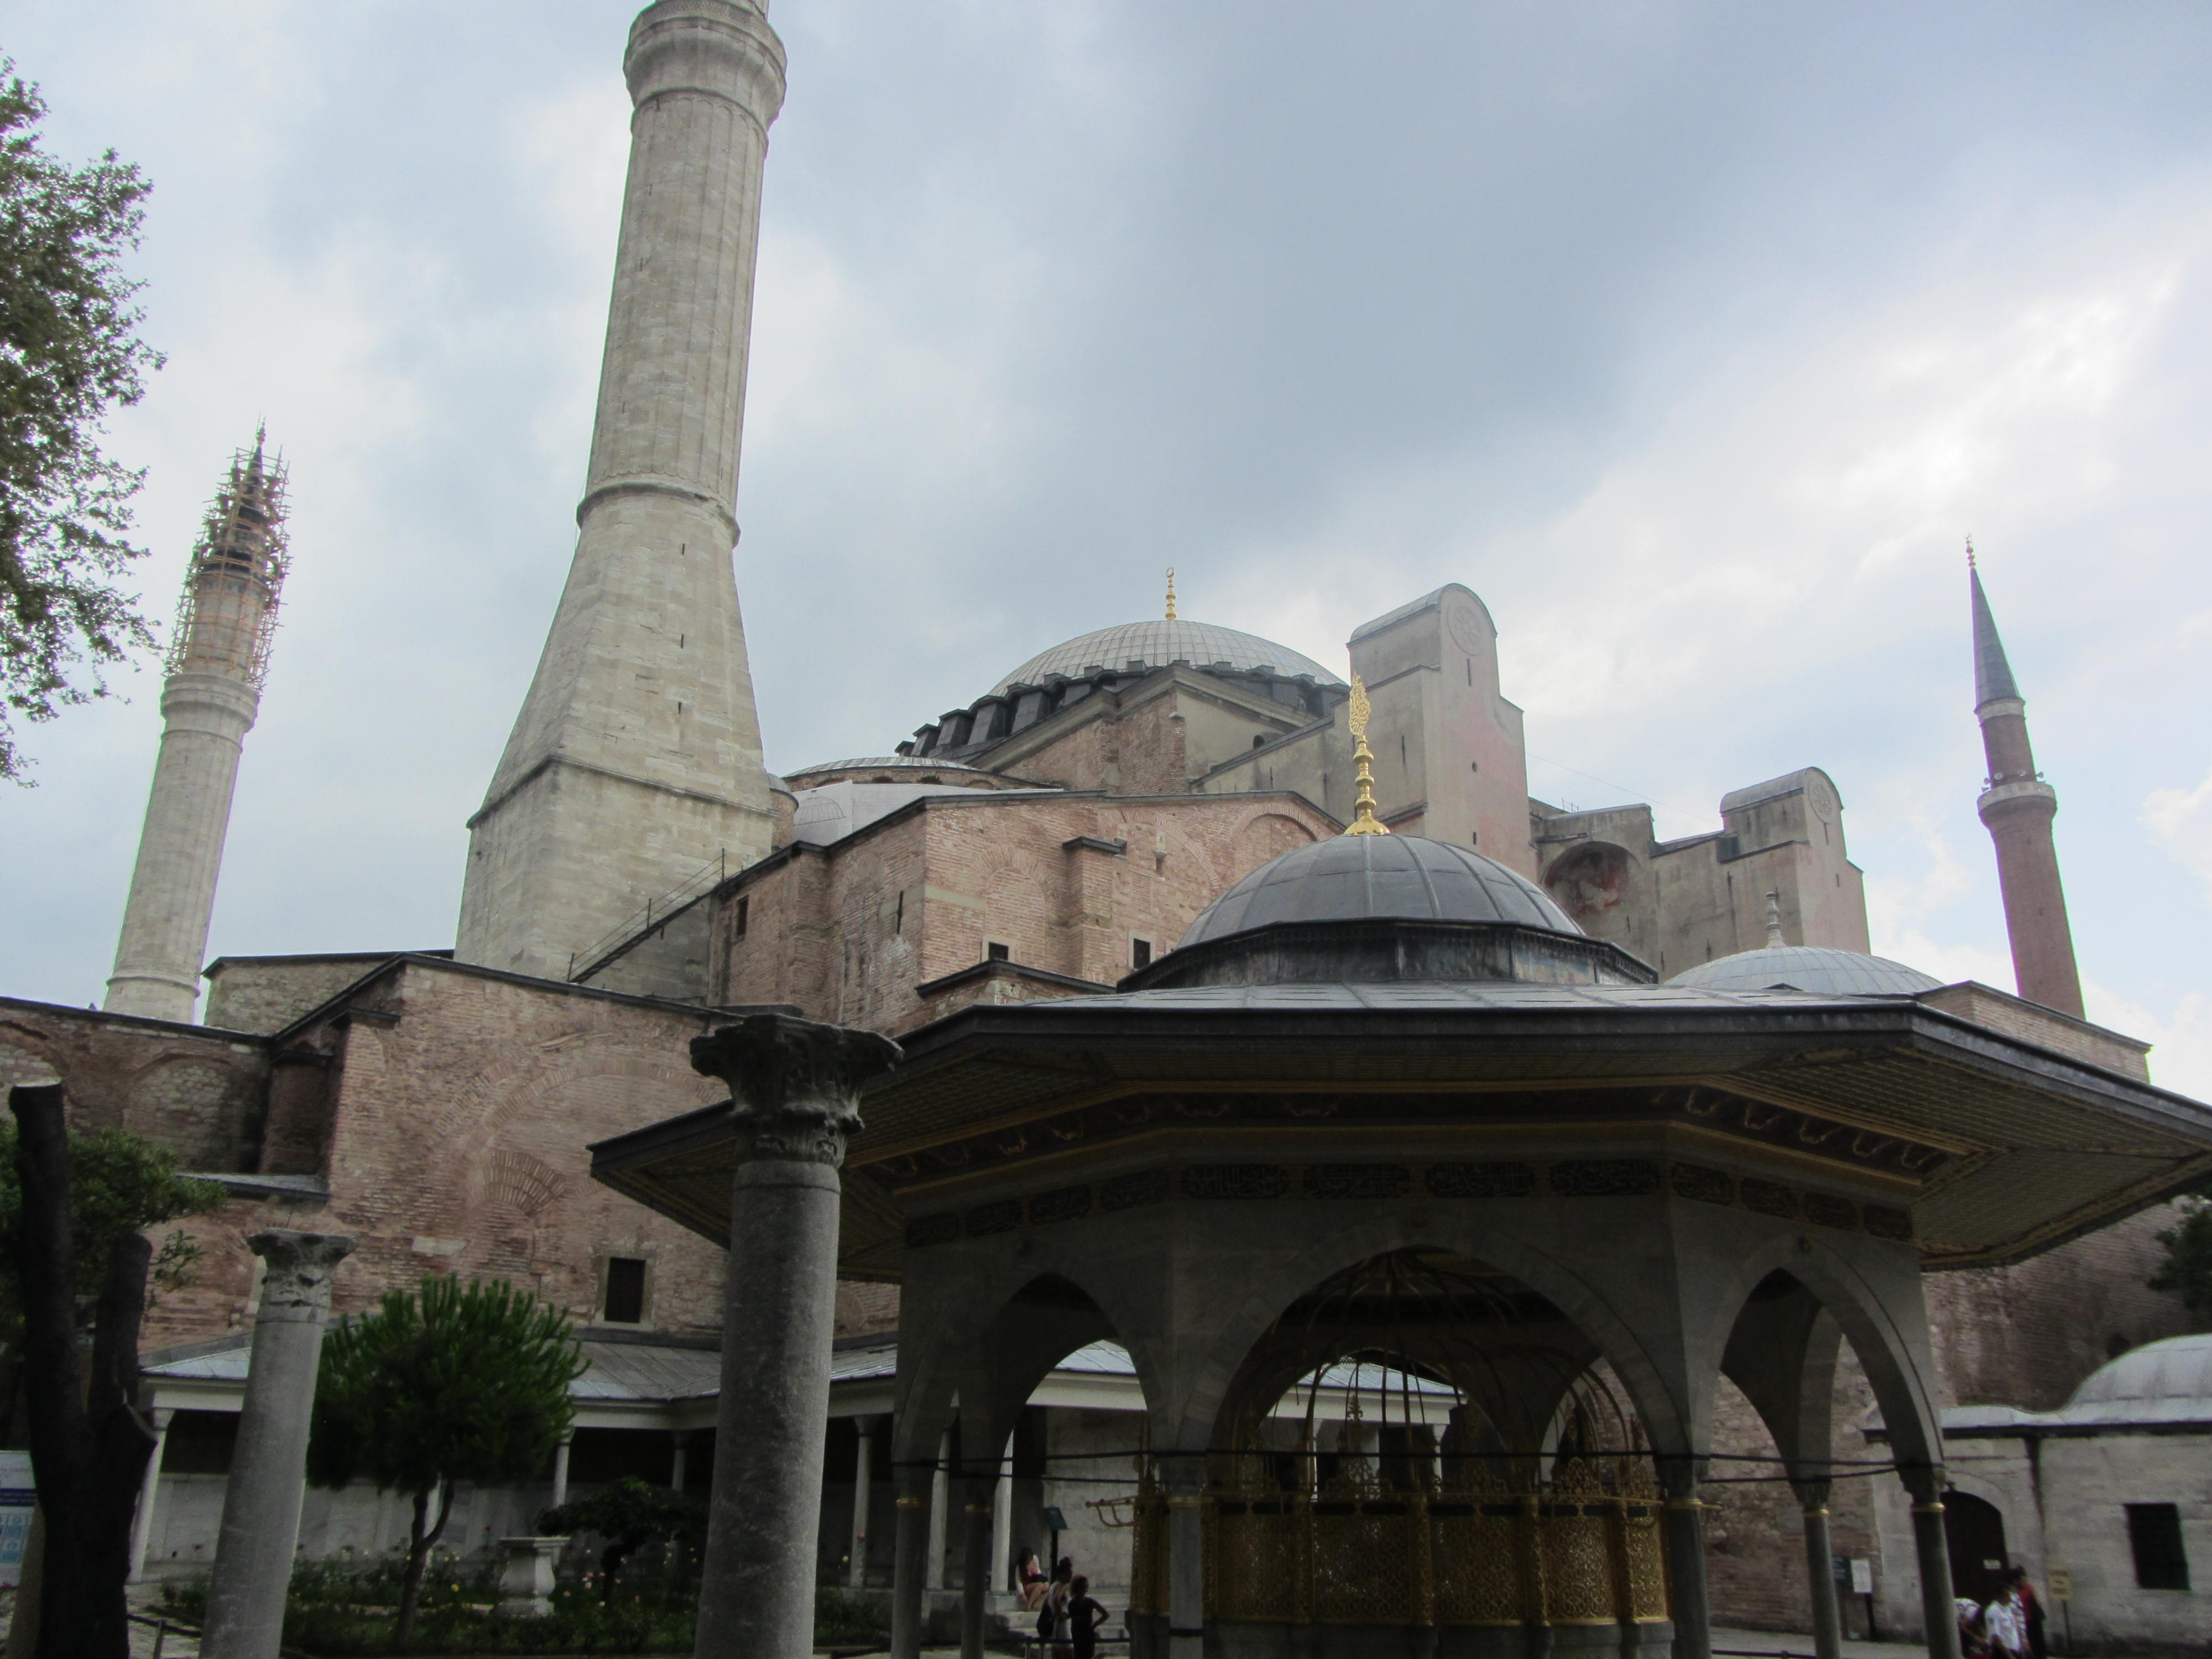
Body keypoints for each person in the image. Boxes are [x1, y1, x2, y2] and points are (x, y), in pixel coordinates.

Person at [1984, 1572, 2029, 1659]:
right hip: (2003, 1653)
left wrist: (2023, 1639)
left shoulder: (2008, 1609)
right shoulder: (1993, 1611)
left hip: (2016, 1650)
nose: (2010, 1599)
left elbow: (2016, 1627)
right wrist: (2009, 1656)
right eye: (2007, 1596)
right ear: (1999, 1596)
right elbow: (1995, 1637)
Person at [1067, 1573, 1113, 1659]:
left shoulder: (1087, 1602)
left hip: (1086, 1635)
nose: (1085, 1589)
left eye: (1085, 1586)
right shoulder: (1073, 1603)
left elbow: (1105, 1615)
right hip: (1078, 1635)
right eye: (1083, 1587)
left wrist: (1094, 1625)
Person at [1015, 1546, 1050, 1611]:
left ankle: (1033, 1605)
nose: (1029, 1561)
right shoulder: (1019, 1567)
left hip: (1035, 1581)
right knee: (1040, 1586)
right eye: (1028, 1559)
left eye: (1030, 1559)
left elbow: (1038, 1572)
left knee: (1046, 1586)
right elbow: (1018, 1582)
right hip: (1026, 1585)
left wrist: (1044, 1581)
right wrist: (1022, 1594)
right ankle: (1029, 1606)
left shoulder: (1035, 1560)